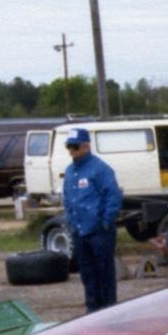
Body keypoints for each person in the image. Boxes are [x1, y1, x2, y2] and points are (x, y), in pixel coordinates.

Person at [61, 127, 122, 313]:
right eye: (69, 147)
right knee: (87, 273)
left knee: (104, 273)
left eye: (75, 147)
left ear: (86, 146)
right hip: (80, 231)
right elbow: (68, 198)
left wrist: (105, 221)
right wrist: (71, 221)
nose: (72, 151)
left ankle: (108, 310)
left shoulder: (100, 169)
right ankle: (92, 309)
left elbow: (113, 196)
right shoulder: (70, 171)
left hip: (99, 231)